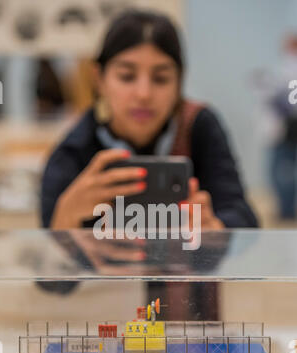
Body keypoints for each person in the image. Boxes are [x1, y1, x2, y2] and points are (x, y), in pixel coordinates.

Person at [41, 9, 258, 231]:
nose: (144, 94)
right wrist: (65, 216)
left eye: (161, 78)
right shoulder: (77, 145)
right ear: (99, 79)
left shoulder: (200, 125)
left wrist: (216, 227)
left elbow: (243, 217)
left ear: (179, 82)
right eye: (127, 76)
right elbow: (46, 242)